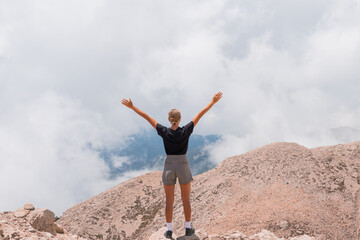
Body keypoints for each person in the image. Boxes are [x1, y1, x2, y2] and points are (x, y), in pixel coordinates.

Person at [121, 91, 223, 239]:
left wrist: (132, 107)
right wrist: (212, 102)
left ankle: (169, 230)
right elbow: (201, 114)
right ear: (180, 119)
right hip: (183, 163)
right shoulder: (186, 130)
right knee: (186, 199)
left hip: (169, 164)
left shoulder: (163, 131)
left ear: (169, 120)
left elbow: (147, 117)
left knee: (169, 201)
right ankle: (188, 228)